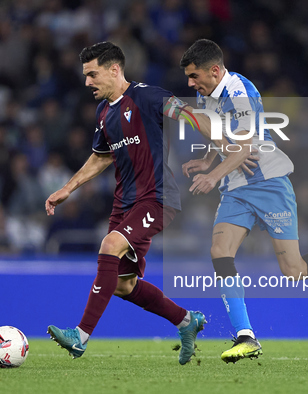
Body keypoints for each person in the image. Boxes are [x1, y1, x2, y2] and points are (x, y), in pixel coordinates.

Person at [171, 39, 308, 363]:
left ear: (215, 70)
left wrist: (212, 176)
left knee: (293, 270)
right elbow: (219, 132)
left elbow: (243, 149)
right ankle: (246, 336)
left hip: (268, 183)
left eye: (194, 75)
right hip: (237, 188)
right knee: (219, 251)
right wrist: (209, 161)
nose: (190, 83)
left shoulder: (241, 93)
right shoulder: (206, 93)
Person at [45, 42, 205, 365]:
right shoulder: (104, 112)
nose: (87, 82)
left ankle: (81, 335)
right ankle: (187, 321)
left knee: (110, 244)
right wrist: (68, 188)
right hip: (125, 203)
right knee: (123, 284)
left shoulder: (145, 96)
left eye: (92, 74)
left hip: (157, 198)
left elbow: (185, 112)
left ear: (114, 70)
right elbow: (100, 157)